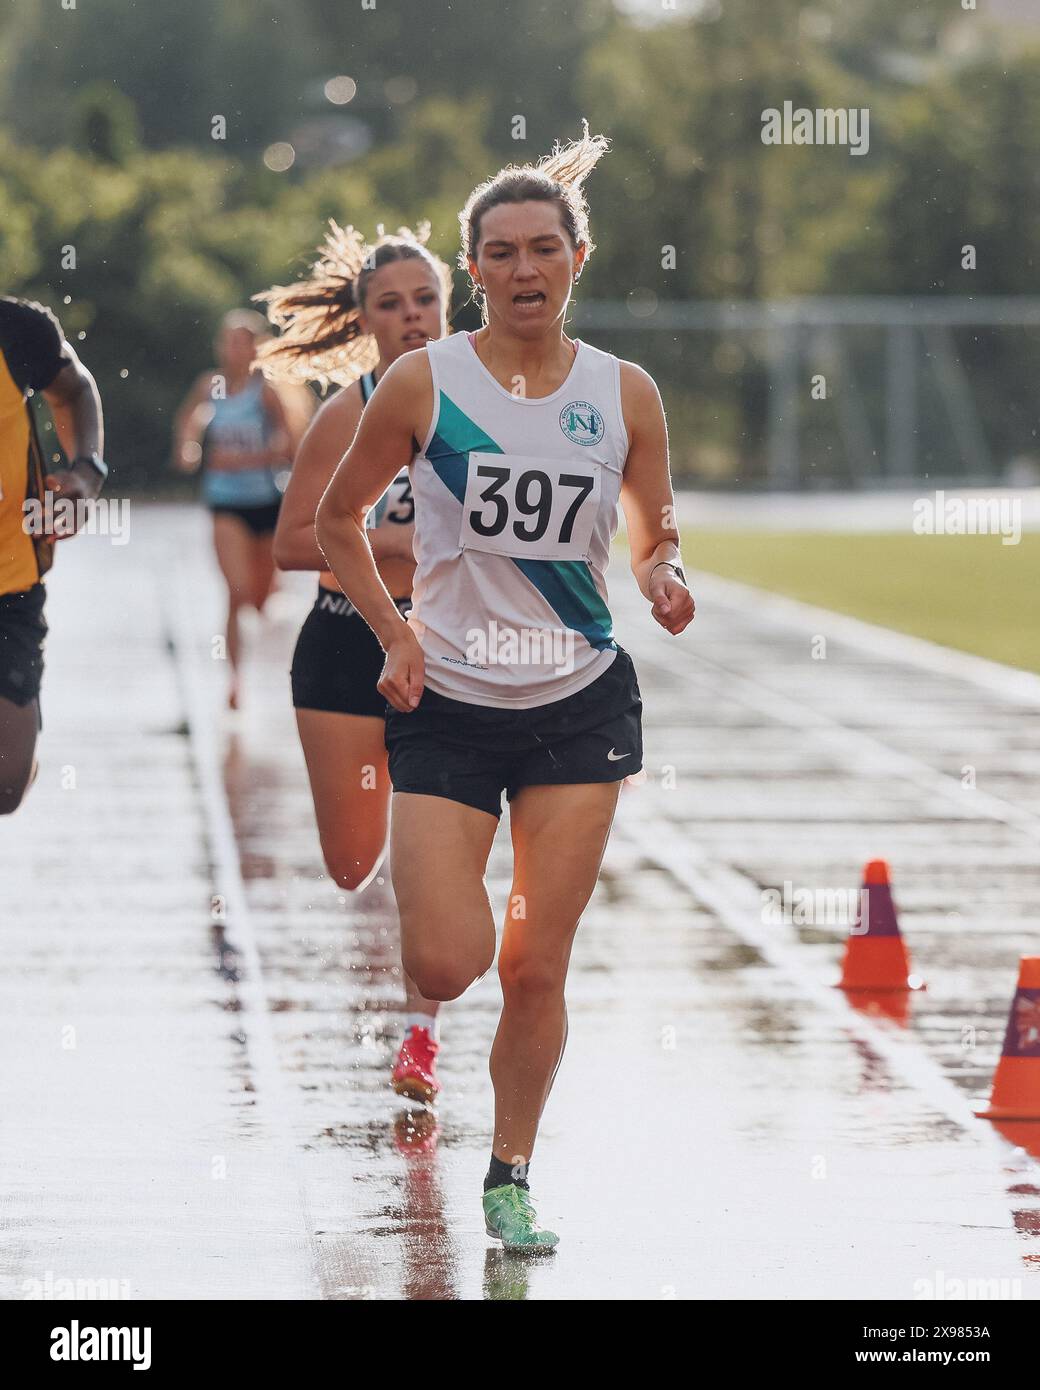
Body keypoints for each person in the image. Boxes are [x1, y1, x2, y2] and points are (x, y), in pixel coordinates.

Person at [315, 124, 695, 1250]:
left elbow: (652, 532)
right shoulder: (422, 384)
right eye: (499, 251)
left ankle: (509, 1173)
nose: (523, 268)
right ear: (470, 268)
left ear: (578, 256)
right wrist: (391, 633)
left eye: (543, 246)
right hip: (449, 707)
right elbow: (336, 523)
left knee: (534, 964)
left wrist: (665, 577)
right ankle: (437, 1015)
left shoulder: (624, 393)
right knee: (447, 958)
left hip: (578, 706)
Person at [257, 223, 453, 1104]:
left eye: (426, 302)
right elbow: (294, 546)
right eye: (392, 305)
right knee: (351, 865)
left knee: (432, 856)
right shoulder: (349, 411)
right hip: (345, 647)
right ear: (366, 320)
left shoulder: (493, 399)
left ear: (446, 308)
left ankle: (421, 1036)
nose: (412, 318)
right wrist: (396, 540)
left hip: (450, 653)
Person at [0, 295, 107, 814]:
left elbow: (75, 390)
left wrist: (86, 474)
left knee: (5, 787)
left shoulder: (18, 329)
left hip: (10, 584)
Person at [173, 310, 308, 709]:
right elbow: (189, 422)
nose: (234, 349)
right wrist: (188, 448)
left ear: (256, 347)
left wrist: (246, 459)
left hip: (266, 501)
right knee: (235, 591)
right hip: (225, 503)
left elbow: (289, 444)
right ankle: (234, 680)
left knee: (261, 599)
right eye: (228, 341)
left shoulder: (267, 390)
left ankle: (271, 601)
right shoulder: (209, 384)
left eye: (242, 341)